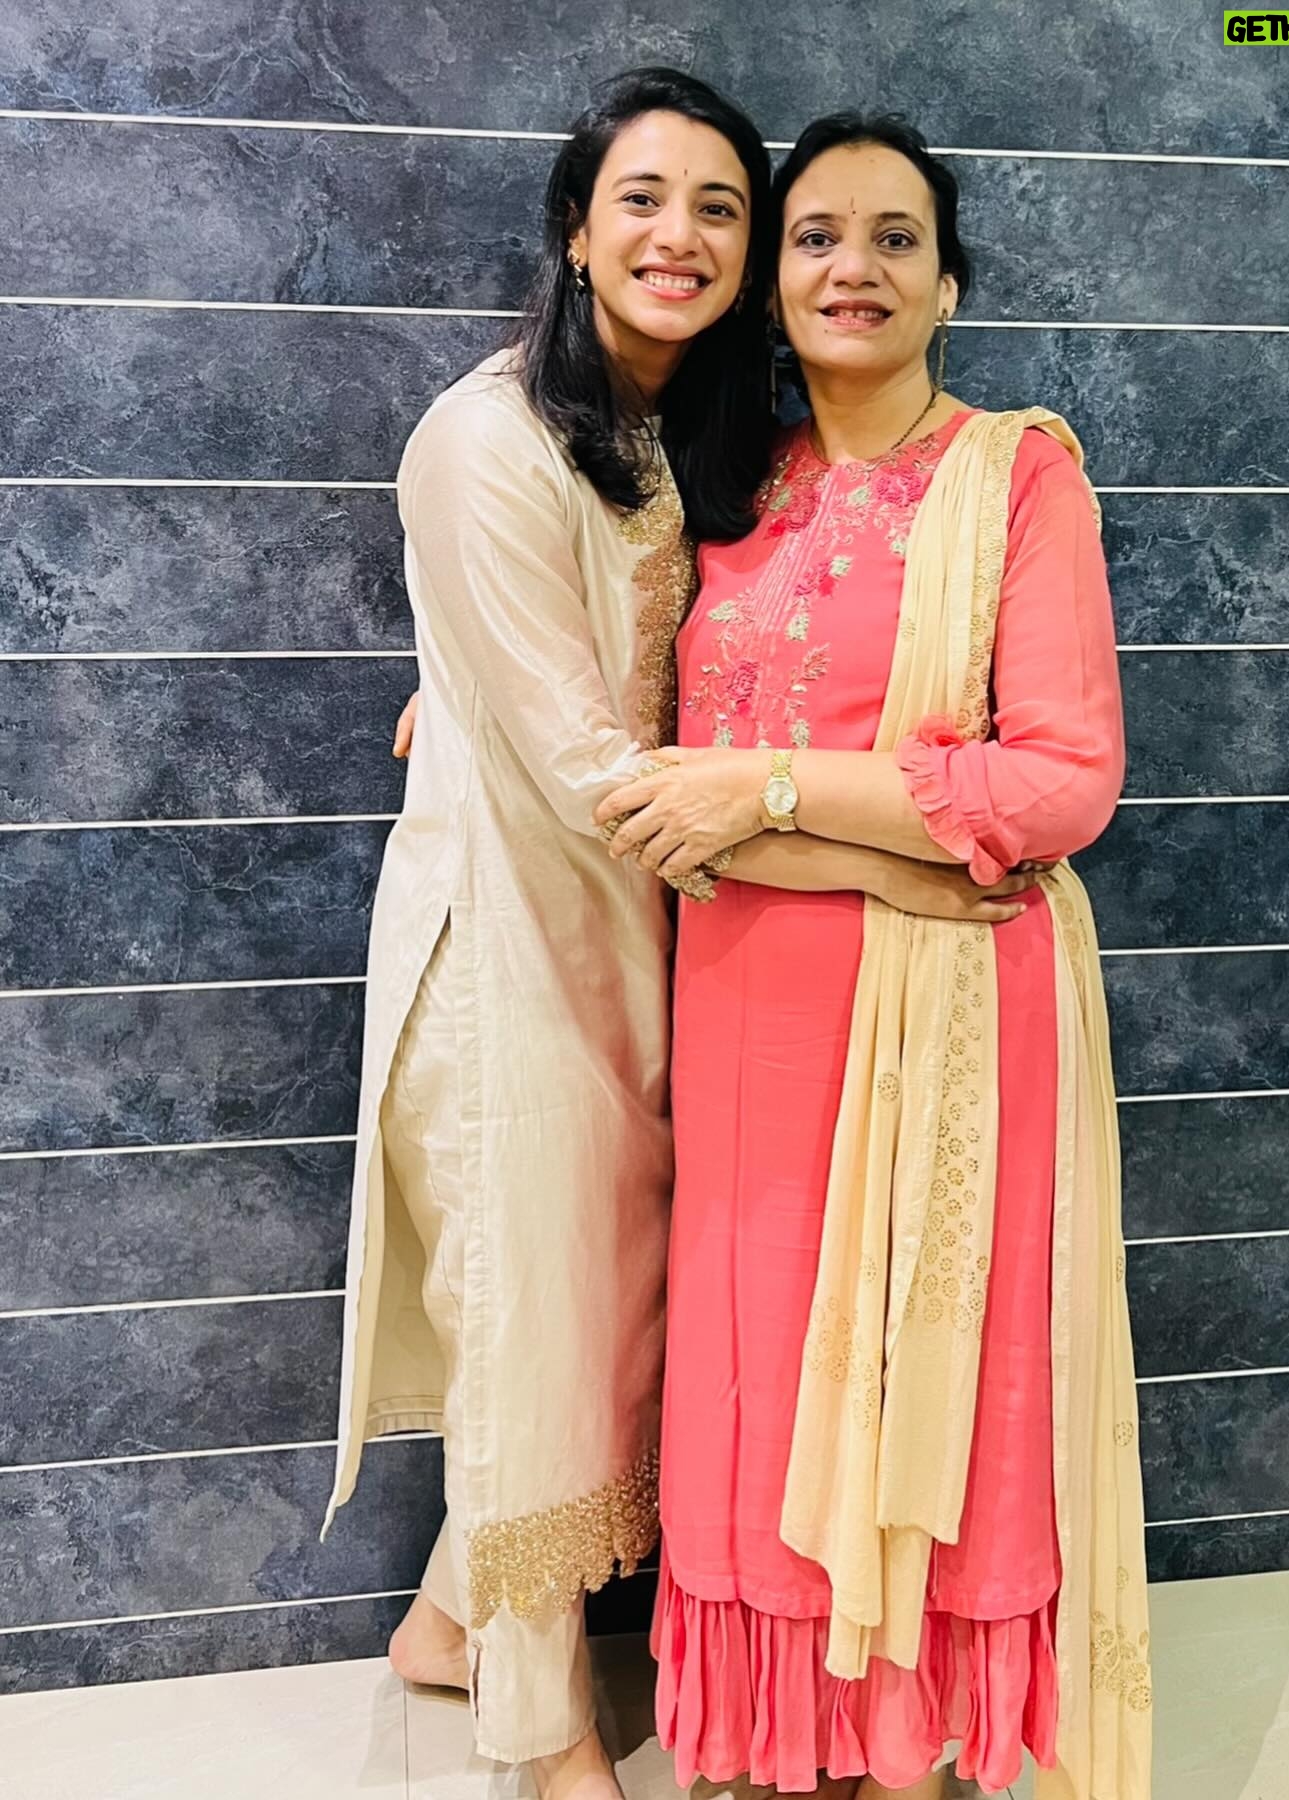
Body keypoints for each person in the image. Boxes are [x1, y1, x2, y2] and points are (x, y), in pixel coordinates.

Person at [348, 73, 1046, 1800]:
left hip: (653, 951)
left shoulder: (703, 442)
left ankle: (446, 1625)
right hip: (508, 955)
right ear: (575, 233)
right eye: (643, 200)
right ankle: (547, 1742)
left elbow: (687, 680)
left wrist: (460, 689)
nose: (682, 235)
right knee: (533, 1320)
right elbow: (605, 770)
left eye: (721, 207)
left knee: (606, 1324)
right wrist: (890, 864)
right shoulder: (486, 438)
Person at [597, 113, 1151, 1800]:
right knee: (755, 1370)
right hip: (744, 1002)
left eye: (896, 238)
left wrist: (768, 789)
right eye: (818, 236)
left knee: (929, 1377)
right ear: (772, 282)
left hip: (951, 1014)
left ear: (948, 283)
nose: (856, 267)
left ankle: (902, 1739)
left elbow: (1060, 784)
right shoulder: (718, 484)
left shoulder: (1016, 476)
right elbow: (634, 748)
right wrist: (463, 701)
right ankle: (785, 1733)